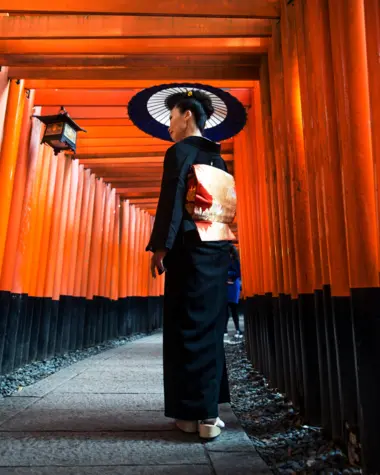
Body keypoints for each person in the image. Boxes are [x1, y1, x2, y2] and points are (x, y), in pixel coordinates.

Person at [147, 90, 232, 440]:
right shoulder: (219, 158)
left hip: (187, 250)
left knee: (184, 326)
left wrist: (160, 248)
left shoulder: (179, 152)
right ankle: (206, 414)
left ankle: (191, 412)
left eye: (171, 118)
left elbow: (171, 198)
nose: (169, 127)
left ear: (186, 116)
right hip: (216, 249)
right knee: (210, 327)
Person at [224, 244, 243, 340]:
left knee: (233, 309)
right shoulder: (228, 261)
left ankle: (237, 329)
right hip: (228, 285)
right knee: (226, 310)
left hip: (232, 285)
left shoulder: (235, 261)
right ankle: (226, 329)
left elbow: (238, 273)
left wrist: (228, 276)